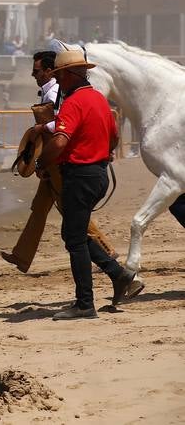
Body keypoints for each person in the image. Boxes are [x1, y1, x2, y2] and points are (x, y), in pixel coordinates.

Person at [39, 48, 143, 319]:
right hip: (99, 175)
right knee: (75, 235)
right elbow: (115, 137)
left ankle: (85, 303)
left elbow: (60, 141)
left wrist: (41, 163)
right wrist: (101, 151)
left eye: (59, 76)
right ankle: (119, 276)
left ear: (71, 75)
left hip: (80, 176)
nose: (58, 81)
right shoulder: (99, 100)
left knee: (74, 239)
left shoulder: (73, 102)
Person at [33, 49, 60, 118]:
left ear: (48, 71)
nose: (33, 74)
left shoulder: (52, 93)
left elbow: (59, 121)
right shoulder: (50, 90)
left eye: (36, 71)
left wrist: (40, 128)